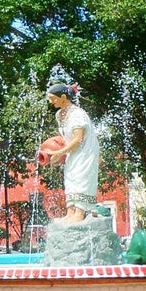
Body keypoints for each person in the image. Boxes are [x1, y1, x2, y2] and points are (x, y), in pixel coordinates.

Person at [43, 83, 101, 224]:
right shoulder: (59, 114)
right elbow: (66, 138)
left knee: (82, 177)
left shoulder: (77, 114)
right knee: (70, 177)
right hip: (72, 151)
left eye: (53, 98)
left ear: (63, 97)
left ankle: (80, 212)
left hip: (85, 151)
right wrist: (53, 149)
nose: (51, 101)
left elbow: (78, 139)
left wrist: (59, 152)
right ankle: (70, 211)